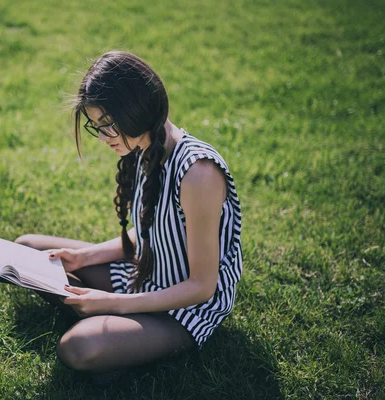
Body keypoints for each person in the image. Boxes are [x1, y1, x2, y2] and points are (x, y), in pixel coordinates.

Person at [15, 51, 242, 373]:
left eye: (107, 126)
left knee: (80, 347)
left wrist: (113, 303)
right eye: (97, 127)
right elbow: (155, 229)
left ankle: (115, 328)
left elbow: (201, 286)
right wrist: (85, 257)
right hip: (145, 273)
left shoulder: (198, 173)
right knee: (27, 250)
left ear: (135, 109)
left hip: (184, 307)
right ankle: (114, 325)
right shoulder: (143, 148)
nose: (104, 138)